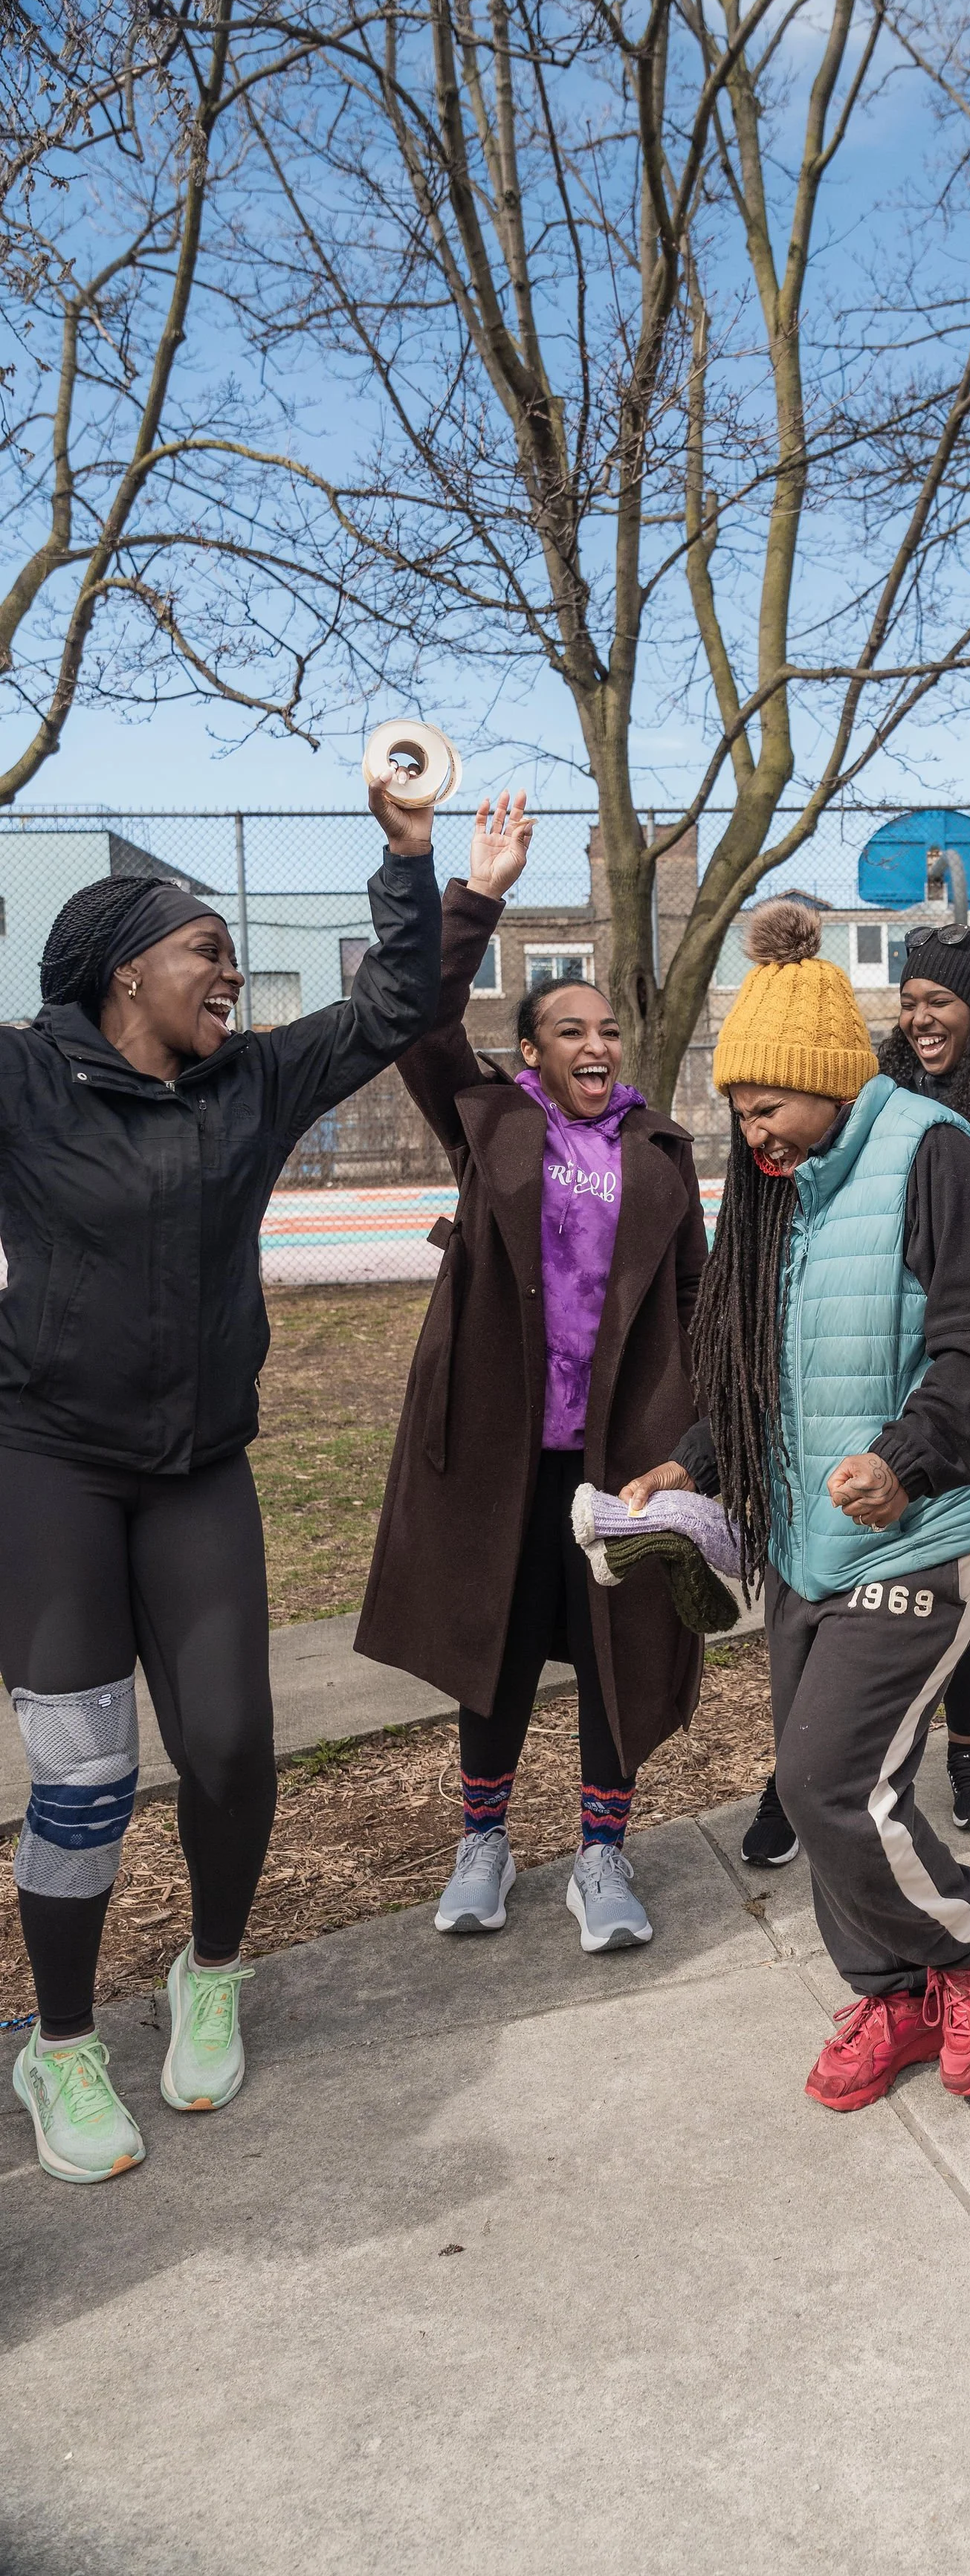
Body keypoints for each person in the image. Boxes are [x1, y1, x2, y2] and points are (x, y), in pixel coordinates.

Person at [2, 771, 441, 2186]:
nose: (230, 973)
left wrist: (415, 863)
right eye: (206, 950)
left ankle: (211, 1970)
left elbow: (392, 1009)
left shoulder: (249, 1081)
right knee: (82, 1780)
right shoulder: (19, 1079)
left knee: (236, 1749)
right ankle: (61, 2044)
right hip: (52, 1469)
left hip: (199, 1471)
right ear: (127, 968)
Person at [624, 899, 970, 2113]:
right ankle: (894, 1991)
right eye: (739, 1110)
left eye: (768, 1106)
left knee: (828, 1783)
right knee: (830, 1791)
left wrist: (910, 1459)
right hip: (813, 1534)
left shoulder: (931, 1153)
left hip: (932, 1521)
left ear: (826, 1080)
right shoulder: (776, 1191)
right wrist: (692, 1463)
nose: (750, 1132)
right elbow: (760, 1363)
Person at [356, 797, 708, 1957]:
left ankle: (602, 1857)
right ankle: (485, 1844)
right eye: (570, 1030)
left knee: (617, 1646)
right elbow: (418, 1020)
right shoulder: (491, 1128)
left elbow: (697, 1309)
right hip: (500, 1439)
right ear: (533, 1052)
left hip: (619, 1454)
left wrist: (695, 1448)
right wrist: (479, 892)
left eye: (608, 1029)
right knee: (492, 1643)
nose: (597, 1045)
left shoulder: (663, 1154)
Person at [739, 917, 970, 1865]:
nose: (920, 1017)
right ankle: (799, 1777)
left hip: (952, 1384)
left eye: (940, 1002)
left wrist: (969, 1206)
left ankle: (966, 1751)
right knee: (814, 1627)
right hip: (848, 1376)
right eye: (908, 1001)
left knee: (948, 1575)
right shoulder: (851, 1103)